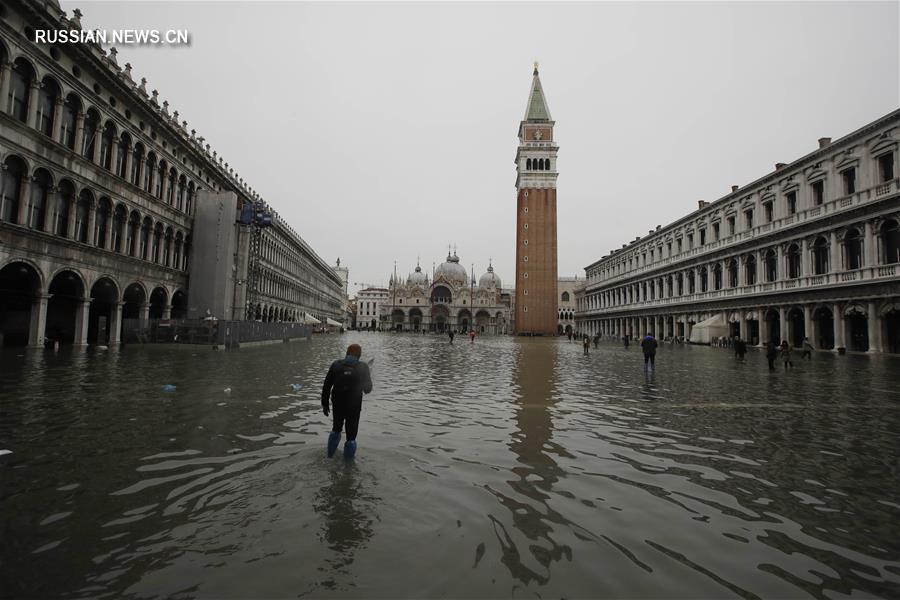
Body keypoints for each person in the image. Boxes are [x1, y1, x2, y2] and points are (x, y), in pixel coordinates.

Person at [321, 343, 373, 459]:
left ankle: (329, 457)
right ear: (359, 356)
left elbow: (326, 386)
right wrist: (367, 378)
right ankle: (348, 468)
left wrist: (325, 404)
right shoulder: (363, 367)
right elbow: (367, 390)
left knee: (336, 429)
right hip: (354, 406)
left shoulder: (336, 365)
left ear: (347, 353)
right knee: (351, 437)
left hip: (337, 404)